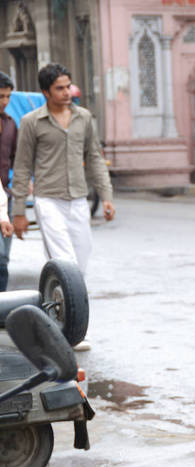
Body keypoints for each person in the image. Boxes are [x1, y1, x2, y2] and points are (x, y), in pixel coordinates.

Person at [12, 63, 115, 351]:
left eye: (68, 86)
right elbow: (22, 167)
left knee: (79, 267)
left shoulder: (84, 118)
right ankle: (71, 335)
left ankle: (55, 320)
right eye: (59, 88)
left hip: (78, 200)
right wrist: (20, 210)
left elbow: (94, 157)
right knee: (65, 262)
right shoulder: (32, 122)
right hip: (48, 200)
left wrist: (106, 195)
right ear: (46, 92)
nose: (67, 92)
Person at [0, 72, 17, 291]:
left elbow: (17, 159)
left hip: (6, 196)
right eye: (0, 96)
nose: (4, 102)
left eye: (7, 97)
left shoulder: (11, 125)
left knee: (4, 258)